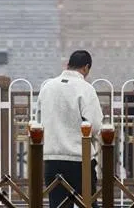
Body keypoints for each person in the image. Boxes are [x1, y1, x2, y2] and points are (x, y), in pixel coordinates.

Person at [38, 50, 104, 208]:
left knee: (58, 205)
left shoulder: (47, 88)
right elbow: (95, 125)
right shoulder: (86, 89)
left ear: (67, 65)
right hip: (79, 158)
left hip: (51, 158)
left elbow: (38, 122)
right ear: (86, 67)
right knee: (88, 203)